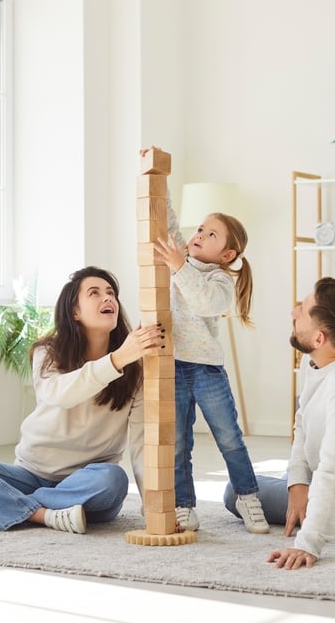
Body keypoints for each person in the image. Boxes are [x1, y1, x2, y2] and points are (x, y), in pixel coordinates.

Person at [0, 266, 163, 534]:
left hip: (89, 483)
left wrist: (155, 508)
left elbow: (141, 444)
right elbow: (61, 395)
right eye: (95, 293)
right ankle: (45, 514)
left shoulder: (136, 371)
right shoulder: (47, 353)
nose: (108, 298)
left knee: (114, 480)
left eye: (111, 293)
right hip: (30, 475)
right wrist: (118, 359)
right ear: (75, 311)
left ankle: (3, 505)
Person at [224, 277, 335, 568]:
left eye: (303, 310)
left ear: (319, 337)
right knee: (291, 475)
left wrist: (308, 543)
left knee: (236, 492)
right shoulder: (327, 356)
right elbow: (303, 424)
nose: (293, 312)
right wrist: (297, 484)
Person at [143, 149, 268, 535]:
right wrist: (157, 177)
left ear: (227, 253)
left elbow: (203, 302)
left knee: (228, 437)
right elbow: (169, 220)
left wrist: (180, 267)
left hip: (208, 369)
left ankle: (248, 497)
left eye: (210, 235)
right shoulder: (180, 253)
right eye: (200, 230)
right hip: (173, 365)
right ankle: (184, 505)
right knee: (179, 443)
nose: (198, 236)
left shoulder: (220, 280)